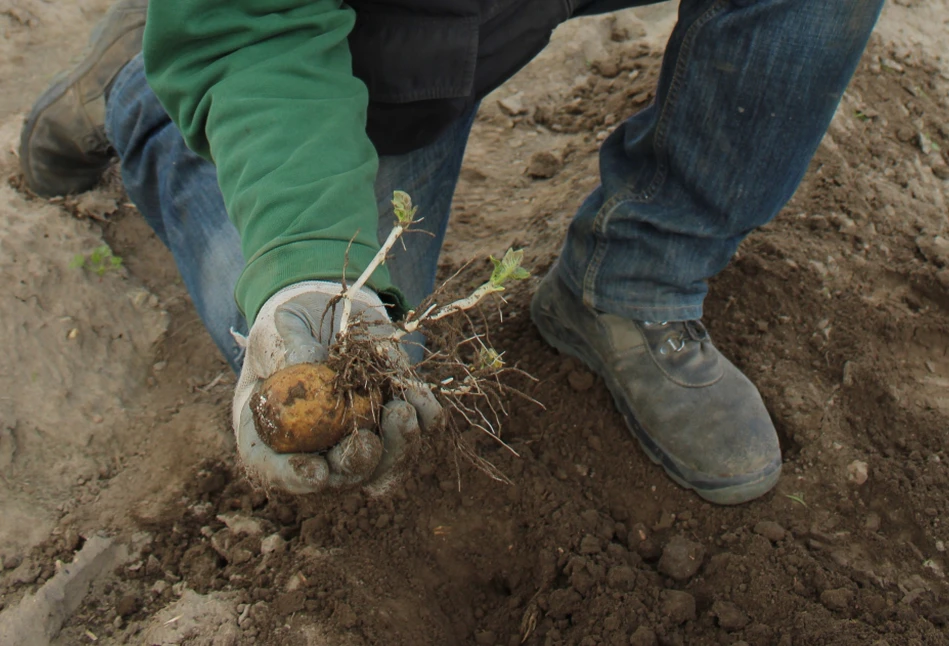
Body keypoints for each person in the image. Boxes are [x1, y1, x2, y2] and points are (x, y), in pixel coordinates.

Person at [19, 0, 883, 505]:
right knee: (351, 345)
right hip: (356, 35)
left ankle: (638, 274)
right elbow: (253, 25)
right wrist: (306, 265)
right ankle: (155, 82)